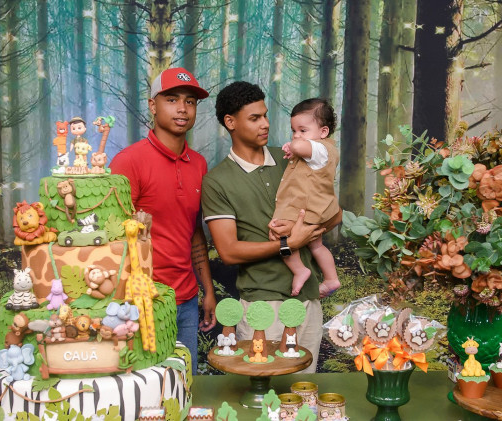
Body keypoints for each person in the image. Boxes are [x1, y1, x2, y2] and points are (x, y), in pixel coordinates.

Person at [201, 81, 325, 373]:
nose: (266, 124)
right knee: (265, 392)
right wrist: (289, 244)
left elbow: (329, 210)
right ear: (230, 122)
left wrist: (316, 224)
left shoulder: (290, 159)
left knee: (303, 391)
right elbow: (229, 251)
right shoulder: (217, 181)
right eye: (255, 118)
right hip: (263, 306)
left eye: (265, 115)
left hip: (309, 299)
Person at [110, 67, 217, 374]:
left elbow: (193, 231)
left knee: (184, 384)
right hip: (141, 302)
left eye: (190, 101)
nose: (182, 108)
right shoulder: (128, 161)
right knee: (146, 387)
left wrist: (207, 290)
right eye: (172, 99)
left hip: (186, 300)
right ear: (152, 105)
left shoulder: (199, 164)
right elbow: (114, 237)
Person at [270, 98, 342, 297]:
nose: (296, 136)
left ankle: (299, 269)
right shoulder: (316, 149)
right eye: (293, 130)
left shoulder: (320, 149)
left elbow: (301, 147)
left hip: (304, 208)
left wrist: (293, 146)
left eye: (302, 130)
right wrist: (294, 146)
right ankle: (331, 278)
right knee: (317, 245)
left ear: (323, 132)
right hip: (317, 208)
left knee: (279, 234)